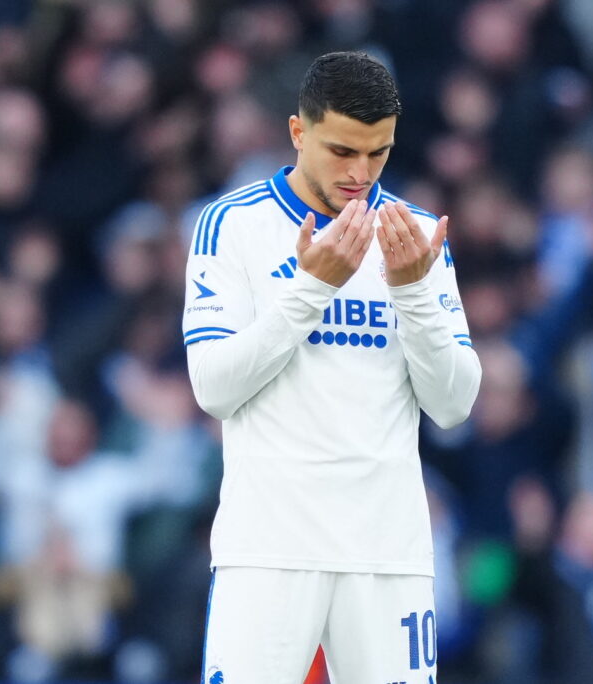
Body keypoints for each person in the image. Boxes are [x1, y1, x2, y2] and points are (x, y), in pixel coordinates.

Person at [183, 51, 482, 683]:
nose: (361, 173)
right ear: (298, 132)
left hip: (388, 553)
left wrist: (413, 295)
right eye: (342, 151)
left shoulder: (418, 235)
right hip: (267, 548)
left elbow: (453, 405)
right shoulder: (232, 224)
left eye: (379, 154)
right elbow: (213, 388)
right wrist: (310, 289)